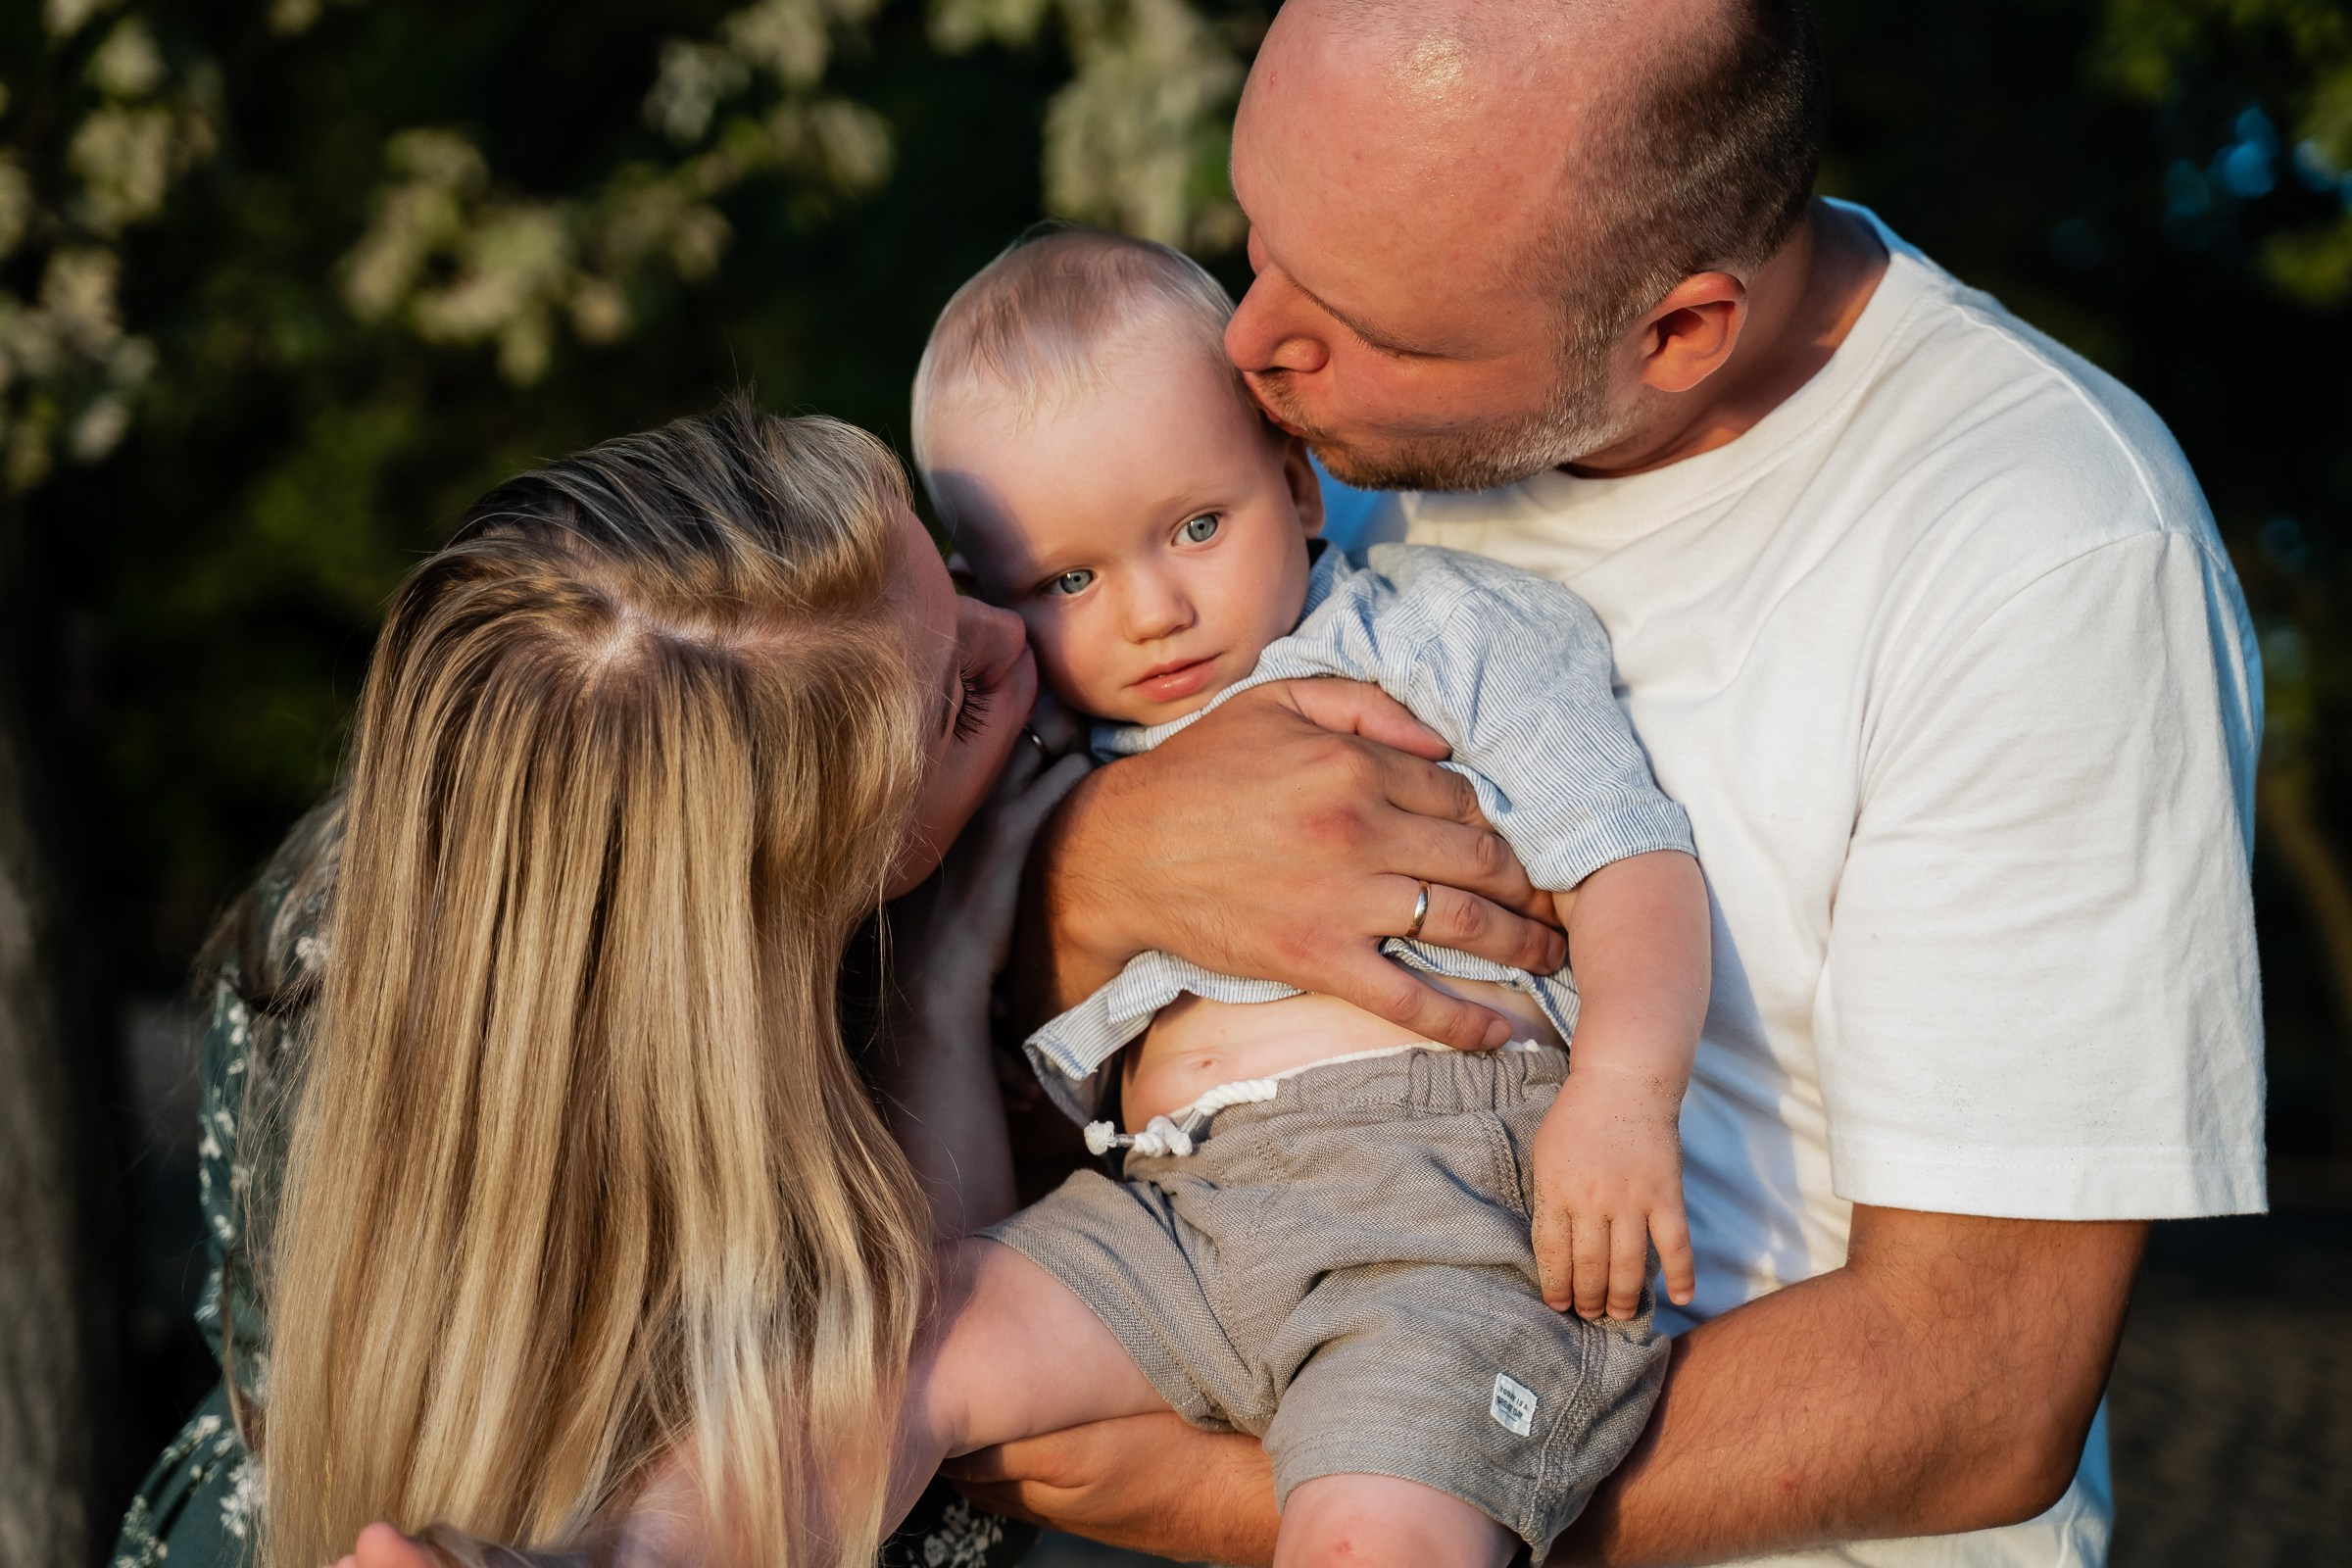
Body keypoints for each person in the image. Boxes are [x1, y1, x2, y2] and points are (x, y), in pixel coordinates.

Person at [945, 3, 2266, 1566]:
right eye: (1258, 232)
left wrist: (1235, 1498)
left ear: (1677, 330)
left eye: (1369, 315)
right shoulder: (1277, 449)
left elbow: (1977, 1390)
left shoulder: (2042, 549)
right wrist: (1105, 873)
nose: (1251, 344)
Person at [111, 398, 1080, 1568]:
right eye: (951, 706)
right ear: (756, 924)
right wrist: (937, 980)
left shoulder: (381, 888)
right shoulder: (756, 1341)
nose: (1010, 643)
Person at [872, 225, 1710, 1567]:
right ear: (989, 601)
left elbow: (1631, 858)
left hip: (1439, 1202)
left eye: (1199, 526)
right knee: (887, 1354)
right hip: (1168, 1218)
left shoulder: (1424, 630)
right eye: (1069, 579)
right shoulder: (1041, 762)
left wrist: (1623, 1090)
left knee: (1378, 1527)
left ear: (1301, 489)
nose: (1153, 609)